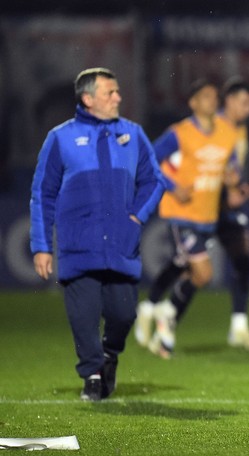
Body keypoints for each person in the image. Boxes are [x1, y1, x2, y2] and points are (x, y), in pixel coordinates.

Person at [29, 67, 165, 401]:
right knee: (84, 315)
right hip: (79, 245)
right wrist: (42, 246)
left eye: (118, 91)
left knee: (123, 314)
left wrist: (136, 215)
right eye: (110, 92)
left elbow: (155, 180)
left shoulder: (133, 134)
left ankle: (109, 355)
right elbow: (43, 194)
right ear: (88, 99)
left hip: (121, 244)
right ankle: (91, 375)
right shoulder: (60, 138)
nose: (118, 97)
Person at [135, 78, 240, 359]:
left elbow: (231, 164)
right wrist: (172, 186)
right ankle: (165, 319)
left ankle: (154, 312)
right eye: (205, 96)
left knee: (186, 270)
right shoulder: (179, 133)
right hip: (181, 213)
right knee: (203, 273)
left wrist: (233, 178)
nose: (212, 100)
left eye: (214, 95)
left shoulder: (227, 133)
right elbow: (149, 159)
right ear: (193, 102)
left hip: (207, 214)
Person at [216, 77, 249, 351]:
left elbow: (233, 167)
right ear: (230, 101)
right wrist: (226, 191)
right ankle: (157, 311)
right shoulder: (214, 126)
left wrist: (239, 186)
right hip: (206, 206)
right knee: (188, 270)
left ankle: (239, 327)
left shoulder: (240, 130)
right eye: (245, 103)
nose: (248, 109)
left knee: (243, 262)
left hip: (229, 207)